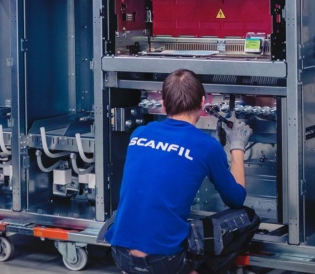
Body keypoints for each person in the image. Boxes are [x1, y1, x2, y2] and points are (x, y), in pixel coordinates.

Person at [106, 69, 260, 274]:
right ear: (203, 102)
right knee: (248, 218)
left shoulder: (139, 133)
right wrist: (237, 147)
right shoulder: (206, 146)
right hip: (166, 261)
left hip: (121, 255)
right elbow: (236, 199)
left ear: (163, 104)